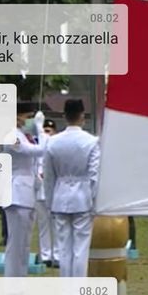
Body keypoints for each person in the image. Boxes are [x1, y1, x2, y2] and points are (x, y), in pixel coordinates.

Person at [44, 99, 100, 277]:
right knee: (80, 249)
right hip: (83, 197)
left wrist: (49, 202)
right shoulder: (91, 142)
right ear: (82, 116)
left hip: (60, 196)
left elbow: (49, 177)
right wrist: (94, 200)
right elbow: (94, 176)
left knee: (63, 248)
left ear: (64, 116)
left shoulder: (52, 142)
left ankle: (66, 291)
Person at [2, 103, 46, 277]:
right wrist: (41, 130)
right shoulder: (12, 137)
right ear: (16, 117)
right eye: (27, 116)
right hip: (17, 194)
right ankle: (12, 287)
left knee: (24, 245)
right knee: (16, 246)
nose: (29, 120)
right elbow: (39, 151)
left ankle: (19, 285)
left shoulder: (24, 135)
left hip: (27, 194)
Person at [35, 119, 60, 268]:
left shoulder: (56, 147)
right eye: (44, 131)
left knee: (56, 225)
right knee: (43, 225)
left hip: (54, 191)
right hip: (39, 192)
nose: (46, 134)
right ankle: (46, 255)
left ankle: (57, 255)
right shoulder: (37, 148)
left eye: (49, 131)